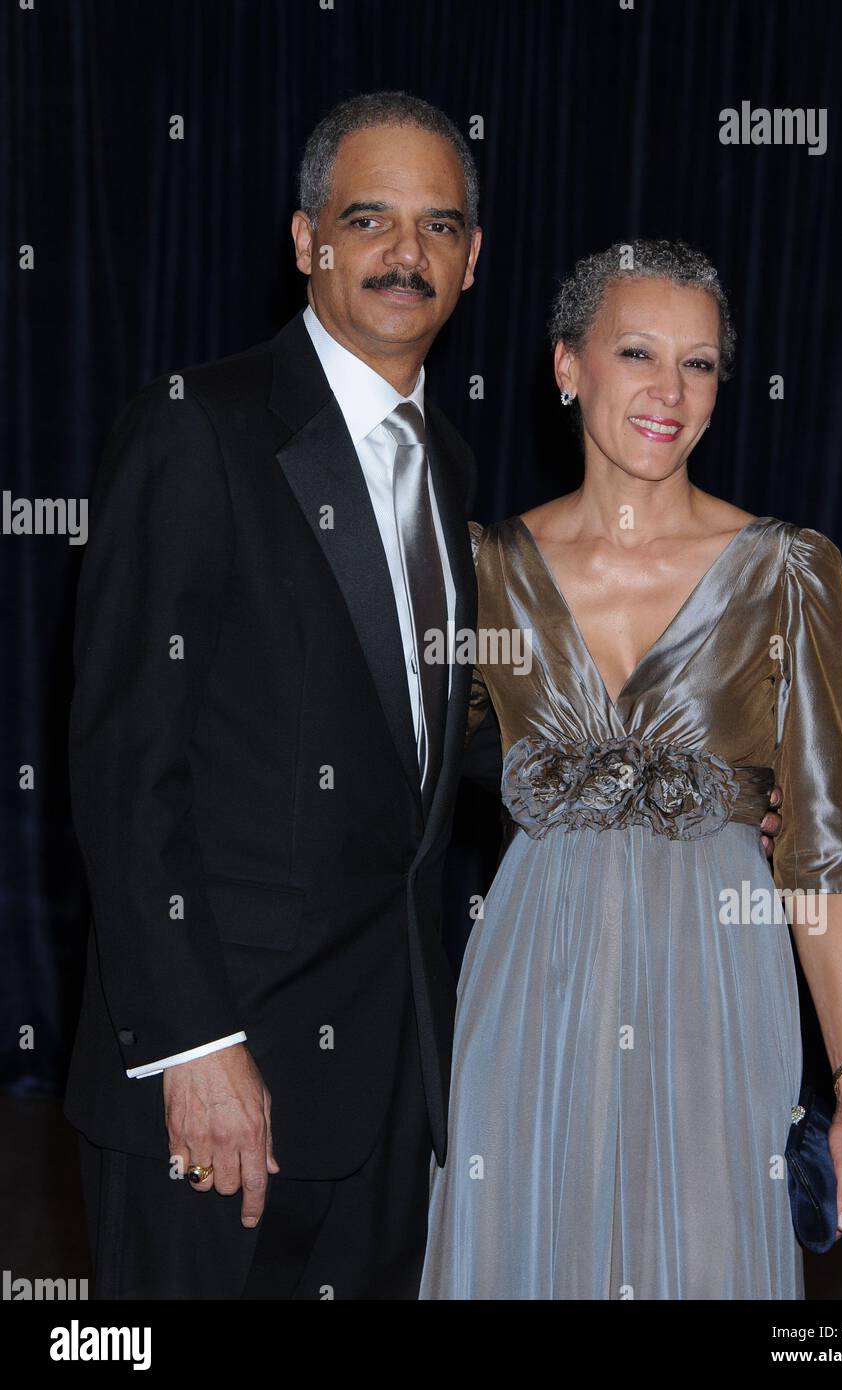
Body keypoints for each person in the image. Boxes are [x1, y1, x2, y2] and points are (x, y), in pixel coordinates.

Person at [64, 90, 505, 1300]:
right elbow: (120, 762)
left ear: (471, 261)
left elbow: (417, 741)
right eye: (369, 219)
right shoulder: (195, 429)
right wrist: (194, 1046)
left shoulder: (447, 464)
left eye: (437, 226)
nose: (404, 253)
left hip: (387, 1078)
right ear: (307, 239)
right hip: (216, 1083)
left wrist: (681, 799)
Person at [420, 239, 842, 1300]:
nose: (669, 391)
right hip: (529, 985)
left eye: (700, 363)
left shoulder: (784, 571)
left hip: (720, 995)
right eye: (636, 353)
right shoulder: (481, 569)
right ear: (566, 366)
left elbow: (817, 842)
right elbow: (405, 788)